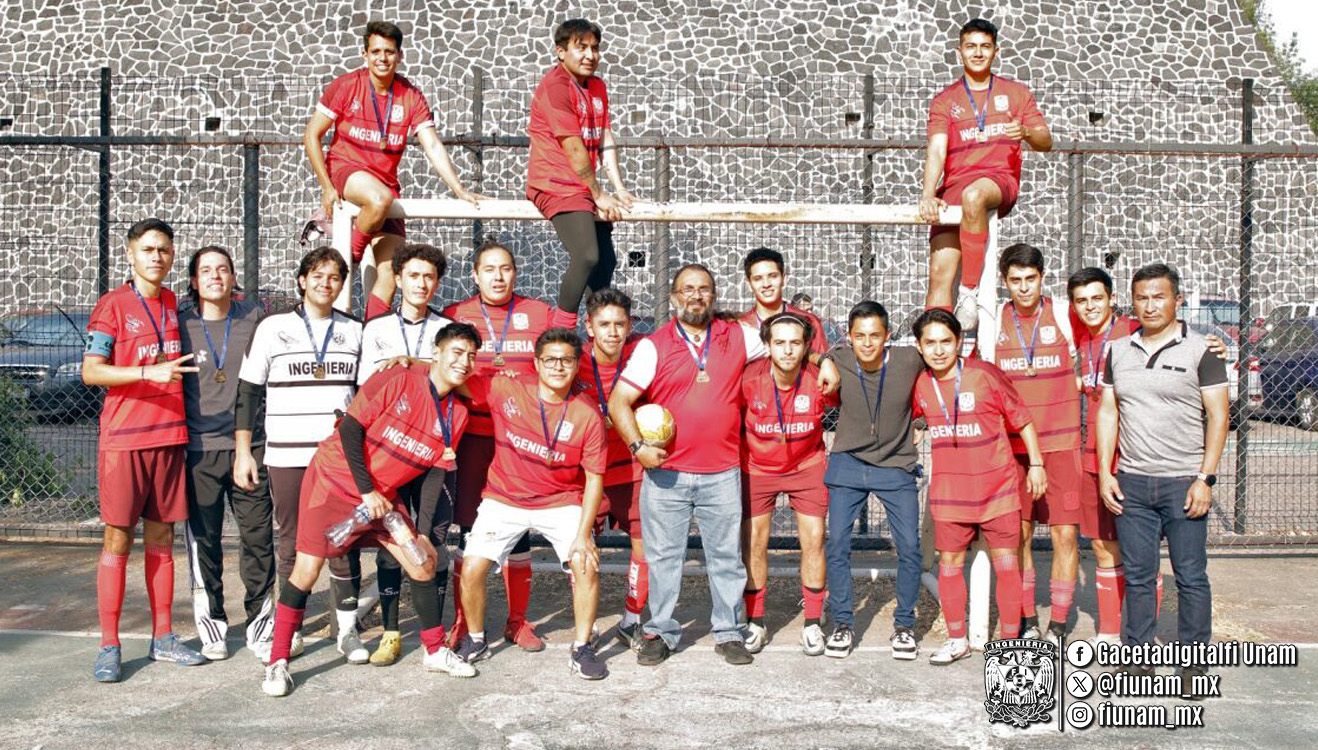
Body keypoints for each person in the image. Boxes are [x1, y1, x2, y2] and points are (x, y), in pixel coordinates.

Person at [608, 263, 839, 667]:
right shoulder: (654, 345)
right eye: (687, 289)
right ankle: (661, 630)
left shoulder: (738, 336)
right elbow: (618, 402)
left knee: (726, 558)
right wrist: (638, 446)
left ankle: (729, 631)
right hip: (667, 473)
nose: (695, 295)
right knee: (663, 556)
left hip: (722, 472)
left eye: (704, 289)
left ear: (714, 296)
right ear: (674, 296)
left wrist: (823, 359)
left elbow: (786, 346)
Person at [261, 323, 482, 696]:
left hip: (383, 497)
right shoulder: (397, 377)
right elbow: (350, 430)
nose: (464, 361)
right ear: (437, 352)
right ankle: (277, 661)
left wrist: (424, 533)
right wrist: (366, 492)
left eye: (471, 356)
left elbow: (434, 474)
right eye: (456, 352)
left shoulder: (456, 413)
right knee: (307, 569)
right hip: (333, 482)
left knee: (422, 561)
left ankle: (434, 651)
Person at [1097, 263, 1229, 698]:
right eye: (1142, 297)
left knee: (1191, 575)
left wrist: (1204, 478)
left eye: (1159, 296)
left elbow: (1219, 417)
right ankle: (1138, 661)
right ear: (1131, 302)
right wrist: (1105, 472)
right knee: (1138, 575)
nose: (1150, 305)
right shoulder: (1117, 350)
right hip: (1133, 483)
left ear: (1177, 299)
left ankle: (1193, 663)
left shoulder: (1202, 350)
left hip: (1183, 483)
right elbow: (1108, 411)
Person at [83, 218, 206, 681]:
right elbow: (91, 372)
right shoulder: (112, 305)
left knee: (162, 539)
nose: (158, 257)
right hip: (125, 441)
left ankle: (163, 638)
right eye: (149, 249)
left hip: (169, 438)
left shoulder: (175, 303)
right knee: (118, 538)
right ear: (131, 254)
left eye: (165, 250)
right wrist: (144, 374)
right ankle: (109, 645)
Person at [441, 241, 576, 650]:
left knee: (518, 534)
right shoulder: (455, 316)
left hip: (520, 442)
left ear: (515, 274)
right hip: (470, 441)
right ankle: (465, 623)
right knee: (469, 534)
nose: (498, 277)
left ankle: (517, 622)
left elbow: (565, 356)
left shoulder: (538, 313)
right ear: (475, 275)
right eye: (489, 269)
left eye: (505, 269)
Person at [235, 246, 366, 664]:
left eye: (334, 278)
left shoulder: (355, 331)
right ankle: (290, 632)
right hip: (287, 454)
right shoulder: (273, 328)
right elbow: (248, 393)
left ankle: (348, 631)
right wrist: (243, 451)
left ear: (341, 285)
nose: (326, 283)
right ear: (302, 281)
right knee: (291, 543)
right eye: (318, 275)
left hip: (337, 459)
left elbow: (364, 398)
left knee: (342, 542)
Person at [455, 328, 610, 680]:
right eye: (550, 360)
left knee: (586, 564)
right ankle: (477, 639)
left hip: (560, 500)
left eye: (566, 360)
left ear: (576, 365)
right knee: (472, 567)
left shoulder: (587, 415)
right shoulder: (507, 387)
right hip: (504, 497)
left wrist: (584, 535)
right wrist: (408, 364)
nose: (558, 367)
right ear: (537, 363)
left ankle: (582, 648)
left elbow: (594, 479)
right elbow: (450, 377)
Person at [303, 20, 482, 319]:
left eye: (389, 52)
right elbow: (311, 135)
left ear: (399, 56)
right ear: (365, 54)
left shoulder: (410, 95)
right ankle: (348, 259)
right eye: (376, 51)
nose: (382, 58)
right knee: (379, 199)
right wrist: (326, 186)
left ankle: (371, 335)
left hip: (386, 184)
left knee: (389, 273)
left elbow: (433, 145)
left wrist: (459, 189)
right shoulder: (347, 86)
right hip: (349, 172)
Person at [911, 308, 1044, 665]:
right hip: (950, 495)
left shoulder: (984, 375)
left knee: (1007, 565)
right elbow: (908, 420)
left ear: (959, 343)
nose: (939, 350)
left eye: (945, 341)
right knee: (950, 566)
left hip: (997, 491)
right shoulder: (920, 384)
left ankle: (1011, 642)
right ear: (919, 348)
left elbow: (1024, 421)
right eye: (930, 343)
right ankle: (957, 639)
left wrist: (1037, 464)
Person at [977, 243, 1081, 645]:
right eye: (1015, 280)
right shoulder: (994, 323)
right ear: (1005, 282)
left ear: (1042, 278)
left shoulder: (1064, 316)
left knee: (1064, 536)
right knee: (1017, 536)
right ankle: (1025, 617)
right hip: (1013, 449)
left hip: (1061, 444)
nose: (1024, 288)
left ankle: (1057, 622)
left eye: (1031, 279)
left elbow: (1110, 331)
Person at [919, 18, 1051, 328]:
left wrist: (1026, 133)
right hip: (954, 187)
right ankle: (933, 348)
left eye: (985, 47)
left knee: (974, 194)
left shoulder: (1016, 93)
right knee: (939, 276)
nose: (978, 53)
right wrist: (927, 194)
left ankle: (969, 293)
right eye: (971, 47)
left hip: (997, 180)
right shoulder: (945, 100)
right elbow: (937, 149)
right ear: (959, 51)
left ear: (995, 51)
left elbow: (1046, 141)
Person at [357, 243, 454, 665]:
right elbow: (367, 388)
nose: (421, 284)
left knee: (434, 539)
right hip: (392, 455)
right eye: (413, 276)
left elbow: (458, 378)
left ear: (437, 283)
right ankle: (392, 631)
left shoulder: (449, 330)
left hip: (436, 453)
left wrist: (409, 362)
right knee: (392, 539)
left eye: (429, 277)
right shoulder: (375, 329)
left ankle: (439, 627)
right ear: (398, 280)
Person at [178, 246, 275, 662]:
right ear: (194, 281)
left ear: (234, 277)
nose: (216, 276)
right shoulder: (179, 323)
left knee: (257, 537)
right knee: (206, 541)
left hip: (249, 447)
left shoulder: (255, 321)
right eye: (206, 270)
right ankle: (213, 623)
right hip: (198, 451)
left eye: (223, 269)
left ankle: (260, 622)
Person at [822, 301, 925, 660]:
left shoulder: (909, 360)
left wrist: (923, 420)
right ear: (849, 337)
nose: (867, 343)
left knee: (910, 546)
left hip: (895, 464)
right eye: (859, 336)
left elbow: (942, 367)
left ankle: (904, 626)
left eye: (875, 336)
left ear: (887, 338)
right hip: (848, 462)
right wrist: (824, 360)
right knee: (836, 544)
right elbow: (806, 350)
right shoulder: (839, 357)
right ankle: (843, 623)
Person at [739, 312, 836, 656]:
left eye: (795, 343)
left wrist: (830, 363)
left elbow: (844, 406)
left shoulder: (820, 378)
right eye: (779, 342)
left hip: (806, 465)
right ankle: (756, 621)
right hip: (758, 467)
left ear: (807, 346)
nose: (787, 350)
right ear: (767, 346)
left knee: (813, 540)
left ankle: (812, 622)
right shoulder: (749, 379)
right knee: (755, 543)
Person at [527, 18, 637, 315]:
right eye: (581, 47)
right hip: (555, 184)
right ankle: (560, 334)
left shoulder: (598, 86)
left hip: (584, 186)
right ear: (561, 52)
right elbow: (573, 147)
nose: (590, 55)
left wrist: (619, 188)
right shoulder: (555, 87)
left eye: (595, 48)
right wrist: (598, 194)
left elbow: (605, 137)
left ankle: (597, 335)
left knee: (605, 262)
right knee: (587, 255)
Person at [573, 289, 650, 648]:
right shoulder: (573, 361)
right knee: (584, 548)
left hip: (633, 469)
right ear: (589, 327)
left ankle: (633, 618)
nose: (613, 332)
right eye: (604, 324)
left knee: (644, 546)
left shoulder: (643, 354)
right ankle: (584, 627)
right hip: (588, 474)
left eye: (620, 324)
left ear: (630, 325)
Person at [739, 247, 828, 353]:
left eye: (773, 276)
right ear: (749, 284)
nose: (766, 284)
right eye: (758, 278)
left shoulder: (809, 322)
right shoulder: (741, 326)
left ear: (784, 279)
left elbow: (820, 366)